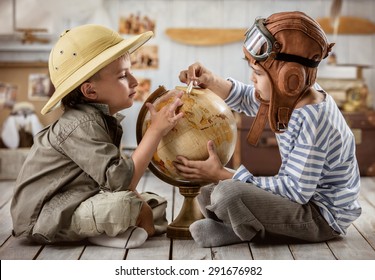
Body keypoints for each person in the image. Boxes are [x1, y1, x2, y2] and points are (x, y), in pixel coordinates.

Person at [175, 11, 361, 247]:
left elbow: (296, 191)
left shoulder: (314, 118)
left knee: (226, 193)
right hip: (300, 201)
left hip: (320, 215)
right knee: (207, 192)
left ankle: (243, 229)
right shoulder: (291, 97)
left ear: (289, 78)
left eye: (258, 73)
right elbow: (246, 98)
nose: (252, 79)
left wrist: (224, 174)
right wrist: (210, 80)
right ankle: (241, 227)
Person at [11, 24, 184, 248]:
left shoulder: (99, 120)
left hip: (77, 199)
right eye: (123, 75)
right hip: (45, 216)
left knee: (156, 203)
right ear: (90, 91)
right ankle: (104, 232)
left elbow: (119, 184)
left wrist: (144, 208)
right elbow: (122, 181)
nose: (134, 81)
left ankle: (110, 230)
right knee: (128, 205)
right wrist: (155, 130)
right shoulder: (80, 124)